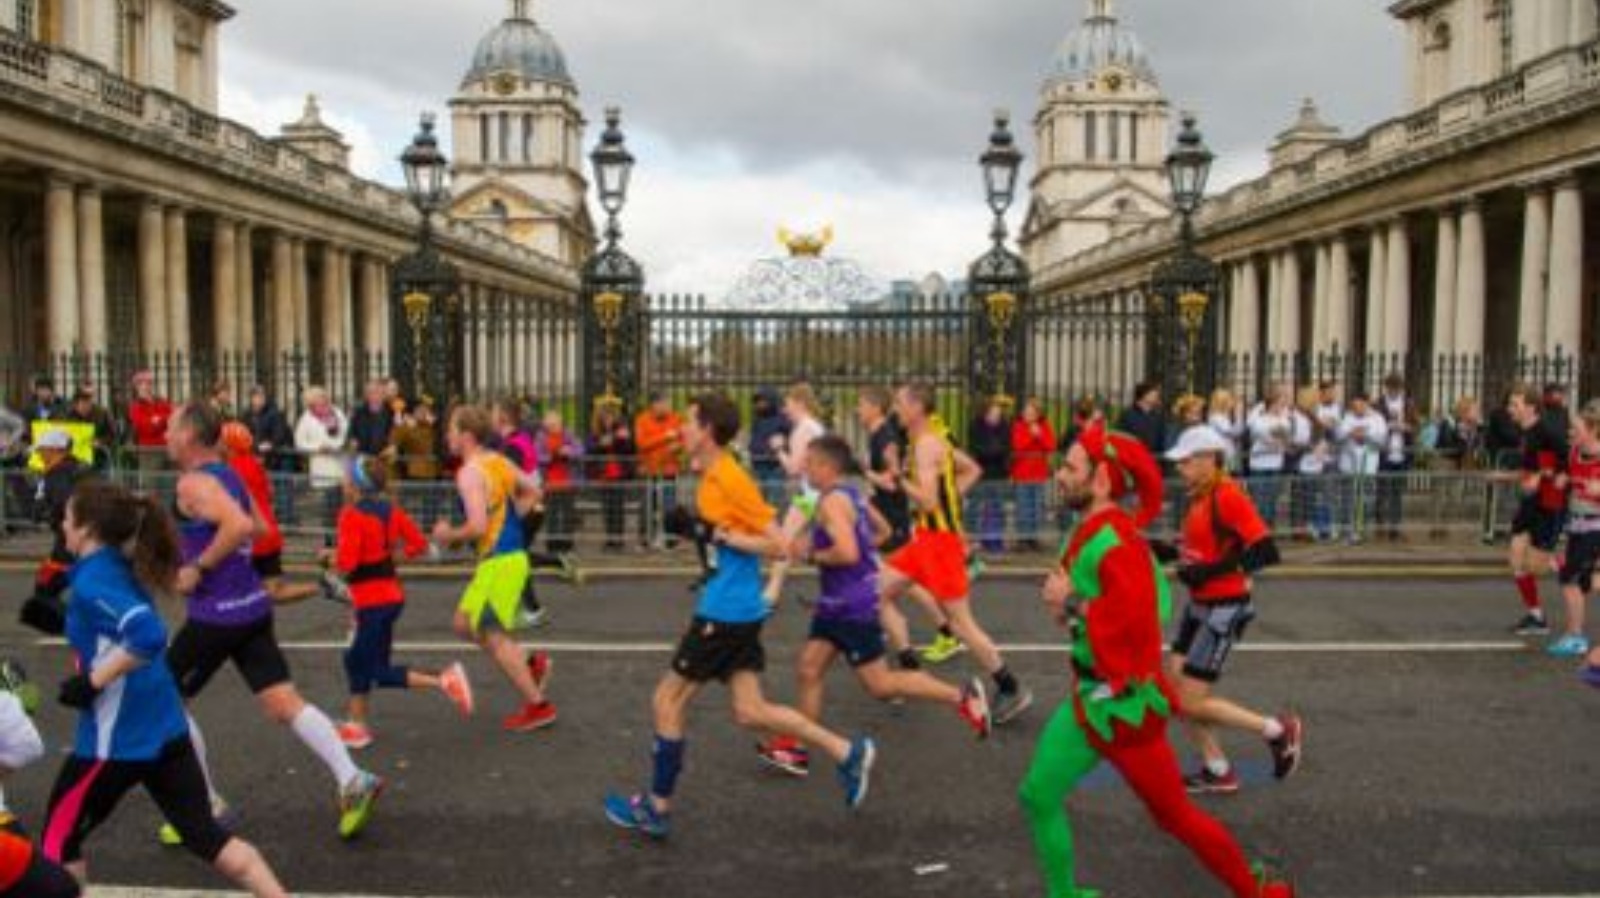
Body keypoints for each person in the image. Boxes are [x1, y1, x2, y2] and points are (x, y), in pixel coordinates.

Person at [1020, 422, 1296, 898]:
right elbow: (1094, 611)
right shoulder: (1084, 532)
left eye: (1070, 467)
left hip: (1127, 712)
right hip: (1089, 702)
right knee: (1038, 794)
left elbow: (1139, 622)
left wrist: (1073, 604)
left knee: (1175, 817)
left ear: (1100, 480)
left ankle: (1256, 892)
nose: (1059, 475)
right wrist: (1066, 611)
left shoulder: (1118, 542)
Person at [602, 394, 877, 839]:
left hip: (725, 611)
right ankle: (847, 751)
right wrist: (695, 528)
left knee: (666, 701)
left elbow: (778, 545)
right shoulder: (712, 473)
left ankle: (656, 807)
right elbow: (722, 535)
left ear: (708, 430)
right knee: (750, 711)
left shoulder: (731, 478)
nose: (681, 428)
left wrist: (717, 534)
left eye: (689, 422)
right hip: (737, 606)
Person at [42, 479, 288, 897]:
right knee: (206, 837)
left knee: (57, 841)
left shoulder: (93, 582)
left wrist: (92, 681)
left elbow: (148, 634)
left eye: (67, 517)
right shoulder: (119, 565)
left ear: (86, 529)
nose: (61, 525)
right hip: (168, 730)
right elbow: (111, 628)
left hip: (115, 743)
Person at [164, 402, 383, 841]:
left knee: (164, 700)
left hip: (215, 617)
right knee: (284, 702)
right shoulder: (230, 475)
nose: (165, 435)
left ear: (188, 435)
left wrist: (199, 567)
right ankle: (352, 778)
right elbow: (261, 528)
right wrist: (208, 542)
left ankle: (204, 806)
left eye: (170, 427)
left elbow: (239, 525)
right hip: (252, 608)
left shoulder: (192, 483)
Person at [756, 435, 991, 776]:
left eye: (809, 463)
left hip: (851, 607)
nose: (804, 469)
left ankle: (961, 696)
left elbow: (848, 552)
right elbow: (883, 532)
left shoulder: (831, 503)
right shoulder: (853, 494)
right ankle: (797, 749)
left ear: (826, 466)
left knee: (880, 684)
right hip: (838, 603)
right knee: (808, 670)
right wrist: (858, 553)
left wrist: (809, 554)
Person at [879, 382, 1032, 724]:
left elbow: (928, 501)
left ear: (917, 407)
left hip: (939, 545)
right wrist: (951, 502)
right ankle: (909, 669)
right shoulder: (932, 439)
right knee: (875, 592)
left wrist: (900, 478)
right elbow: (970, 470)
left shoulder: (926, 445)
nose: (895, 409)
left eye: (900, 402)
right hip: (924, 541)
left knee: (961, 625)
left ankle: (1010, 687)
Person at [1164, 426, 1303, 795]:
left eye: (1186, 461)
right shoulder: (1200, 496)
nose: (1179, 468)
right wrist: (1170, 552)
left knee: (1191, 701)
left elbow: (1267, 552)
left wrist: (1208, 572)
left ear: (1209, 459)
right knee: (1175, 687)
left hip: (1223, 609)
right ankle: (1217, 769)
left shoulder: (1228, 496)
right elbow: (1208, 549)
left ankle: (1277, 731)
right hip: (1199, 605)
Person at [328, 456, 474, 748]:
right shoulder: (391, 511)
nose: (342, 483)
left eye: (346, 478)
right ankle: (356, 726)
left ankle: (444, 680)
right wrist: (391, 558)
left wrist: (328, 558)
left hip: (369, 601)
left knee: (371, 669)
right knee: (359, 661)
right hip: (390, 597)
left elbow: (348, 563)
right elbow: (418, 544)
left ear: (355, 485)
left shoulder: (350, 515)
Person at [432, 405, 557, 733]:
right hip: (504, 559)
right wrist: (512, 521)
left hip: (500, 561)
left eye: (451, 429)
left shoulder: (469, 473)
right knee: (462, 624)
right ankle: (529, 662)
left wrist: (447, 535)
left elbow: (477, 526)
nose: (447, 435)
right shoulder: (498, 461)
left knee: (492, 634)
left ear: (466, 436)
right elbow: (535, 491)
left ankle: (538, 706)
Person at [858, 387, 963, 666]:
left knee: (904, 583)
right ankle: (900, 638)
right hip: (889, 516)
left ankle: (945, 632)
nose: (858, 410)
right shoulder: (881, 435)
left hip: (894, 518)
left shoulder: (889, 438)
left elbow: (895, 484)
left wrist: (868, 473)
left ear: (874, 407)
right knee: (890, 581)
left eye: (861, 404)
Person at [219, 422, 326, 607]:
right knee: (274, 592)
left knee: (237, 592)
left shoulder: (230, 470)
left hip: (251, 540)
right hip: (267, 533)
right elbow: (269, 492)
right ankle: (321, 587)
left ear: (229, 446)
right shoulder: (253, 463)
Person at [1507, 386, 1568, 636]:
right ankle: (1536, 616)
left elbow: (1566, 461)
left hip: (1548, 504)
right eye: (1510, 404)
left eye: (1515, 404)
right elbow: (1532, 466)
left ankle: (1573, 565)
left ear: (1531, 407)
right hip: (1530, 503)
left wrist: (1542, 477)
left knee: (1536, 566)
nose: (1510, 409)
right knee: (1515, 558)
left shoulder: (1547, 431)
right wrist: (1508, 476)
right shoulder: (1524, 432)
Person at [761, 383, 829, 606]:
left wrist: (779, 448)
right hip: (821, 492)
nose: (784, 410)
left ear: (800, 403)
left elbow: (793, 468)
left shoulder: (803, 429)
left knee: (785, 539)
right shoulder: (815, 426)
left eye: (788, 404)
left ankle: (770, 595)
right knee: (812, 542)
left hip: (809, 494)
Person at [19, 429, 90, 635]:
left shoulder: (57, 473)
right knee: (86, 589)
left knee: (44, 589)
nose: (40, 454)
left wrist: (45, 513)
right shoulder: (82, 468)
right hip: (88, 541)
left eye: (43, 450)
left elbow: (61, 502)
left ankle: (76, 628)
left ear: (56, 450)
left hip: (69, 545)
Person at [1550, 403, 1600, 658]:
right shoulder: (1574, 453)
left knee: (1569, 579)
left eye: (1576, 429)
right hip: (1576, 527)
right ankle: (1573, 632)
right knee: (1582, 582)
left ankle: (1576, 637)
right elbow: (1569, 476)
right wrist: (1564, 480)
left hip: (1595, 529)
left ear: (1593, 430)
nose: (1571, 433)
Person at [294, 386, 349, 544]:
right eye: (318, 397)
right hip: (322, 467)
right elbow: (300, 442)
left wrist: (337, 445)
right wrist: (317, 448)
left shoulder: (336, 412)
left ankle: (342, 537)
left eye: (323, 396)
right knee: (328, 506)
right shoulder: (306, 418)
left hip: (340, 465)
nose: (322, 399)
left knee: (341, 505)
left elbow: (346, 432)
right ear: (311, 401)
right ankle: (330, 539)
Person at [1335, 393, 1387, 544]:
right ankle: (1348, 532)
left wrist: (1366, 435)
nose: (1356, 409)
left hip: (1368, 467)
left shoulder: (1377, 418)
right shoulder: (1346, 417)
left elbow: (1382, 441)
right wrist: (1350, 433)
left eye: (1360, 406)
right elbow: (1338, 436)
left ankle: (1363, 531)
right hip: (1348, 467)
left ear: (1367, 404)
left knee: (1366, 500)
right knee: (1348, 500)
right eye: (1354, 406)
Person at [634, 392, 684, 549]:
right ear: (654, 405)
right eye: (665, 403)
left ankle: (670, 539)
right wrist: (665, 437)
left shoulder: (676, 418)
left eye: (669, 403)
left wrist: (678, 447)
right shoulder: (642, 420)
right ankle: (645, 539)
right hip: (649, 471)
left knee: (669, 505)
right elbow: (642, 444)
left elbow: (683, 439)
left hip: (669, 471)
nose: (668, 407)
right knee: (647, 505)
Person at [534, 409, 584, 556]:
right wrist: (551, 455)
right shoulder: (541, 437)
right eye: (550, 425)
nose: (553, 428)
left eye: (555, 425)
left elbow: (581, 450)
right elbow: (537, 455)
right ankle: (552, 545)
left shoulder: (569, 435)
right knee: (552, 515)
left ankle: (567, 545)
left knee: (568, 514)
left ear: (561, 423)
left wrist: (569, 452)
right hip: (549, 483)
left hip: (567, 482)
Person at [1011, 397, 1058, 552]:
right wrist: (1032, 435)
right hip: (1022, 474)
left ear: (1038, 414)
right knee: (1023, 506)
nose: (1027, 414)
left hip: (1039, 474)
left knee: (1036, 507)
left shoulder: (1045, 426)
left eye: (1031, 412)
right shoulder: (1018, 426)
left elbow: (1051, 446)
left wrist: (1039, 435)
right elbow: (1018, 446)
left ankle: (1033, 537)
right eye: (1026, 411)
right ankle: (1022, 538)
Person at [1375, 373, 1418, 541]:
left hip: (1402, 453)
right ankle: (1380, 527)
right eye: (1391, 388)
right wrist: (1388, 426)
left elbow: (1416, 426)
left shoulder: (1408, 403)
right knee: (1382, 492)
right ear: (1386, 388)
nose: (1394, 391)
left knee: (1397, 494)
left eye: (1397, 388)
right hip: (1384, 454)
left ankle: (1394, 528)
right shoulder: (1378, 404)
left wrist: (1406, 428)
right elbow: (1374, 426)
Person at [966, 398, 1012, 556]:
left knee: (996, 507)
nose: (996, 417)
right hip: (981, 473)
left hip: (999, 473)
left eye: (998, 414)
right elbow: (977, 448)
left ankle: (994, 540)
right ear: (985, 413)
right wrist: (994, 450)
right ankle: (972, 538)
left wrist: (993, 450)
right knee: (975, 506)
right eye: (993, 413)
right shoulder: (976, 426)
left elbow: (1005, 447)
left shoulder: (1004, 426)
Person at [1245, 384, 1294, 527]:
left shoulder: (1284, 418)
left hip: (1276, 463)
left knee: (1272, 499)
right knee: (1260, 499)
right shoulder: (1259, 418)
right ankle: (1258, 528)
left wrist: (1278, 436)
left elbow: (1285, 434)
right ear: (1272, 403)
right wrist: (1275, 436)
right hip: (1259, 463)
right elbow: (1258, 431)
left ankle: (1269, 528)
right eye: (1279, 403)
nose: (1282, 406)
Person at [588, 401, 635, 551]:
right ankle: (609, 538)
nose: (608, 419)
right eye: (605, 416)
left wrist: (622, 439)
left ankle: (618, 539)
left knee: (618, 507)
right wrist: (600, 445)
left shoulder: (622, 430)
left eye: (610, 416)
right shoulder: (596, 432)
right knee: (607, 508)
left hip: (618, 473)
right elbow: (589, 450)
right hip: (603, 473)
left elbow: (630, 450)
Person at [749, 387, 788, 509]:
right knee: (758, 500)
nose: (759, 404)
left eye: (762, 401)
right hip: (758, 464)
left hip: (774, 466)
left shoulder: (782, 419)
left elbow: (787, 439)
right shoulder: (757, 419)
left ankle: (777, 519)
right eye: (757, 401)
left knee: (774, 500)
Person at [63, 388, 114, 472]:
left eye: (88, 403)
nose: (85, 407)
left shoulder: (102, 413)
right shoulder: (70, 416)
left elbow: (112, 434)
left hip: (98, 455)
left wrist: (100, 442)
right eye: (82, 405)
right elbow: (63, 435)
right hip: (76, 457)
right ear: (75, 405)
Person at [1116, 380, 1167, 459]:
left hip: (1153, 459)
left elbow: (1161, 442)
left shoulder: (1158, 417)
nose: (1157, 395)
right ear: (1144, 394)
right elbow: (1120, 438)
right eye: (1154, 393)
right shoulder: (1127, 415)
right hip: (1133, 458)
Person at [347, 380, 395, 457]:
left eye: (378, 393)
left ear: (383, 396)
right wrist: (352, 441)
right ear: (366, 395)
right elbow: (351, 433)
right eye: (371, 393)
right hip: (362, 455)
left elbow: (393, 435)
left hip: (382, 457)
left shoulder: (390, 412)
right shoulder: (358, 412)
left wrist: (392, 446)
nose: (375, 396)